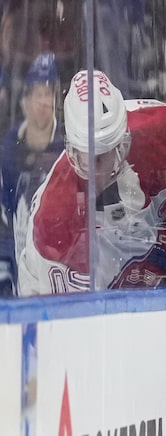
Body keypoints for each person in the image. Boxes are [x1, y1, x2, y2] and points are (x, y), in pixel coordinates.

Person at [17, 69, 166, 296]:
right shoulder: (55, 212)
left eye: (110, 152)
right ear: (73, 153)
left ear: (125, 140)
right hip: (50, 276)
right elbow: (76, 317)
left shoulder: (163, 129)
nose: (100, 170)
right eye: (91, 159)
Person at [0, 52, 62, 295]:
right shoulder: (10, 144)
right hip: (18, 247)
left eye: (49, 94)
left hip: (53, 255)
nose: (44, 103)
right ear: (27, 100)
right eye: (39, 95)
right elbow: (6, 212)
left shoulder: (66, 142)